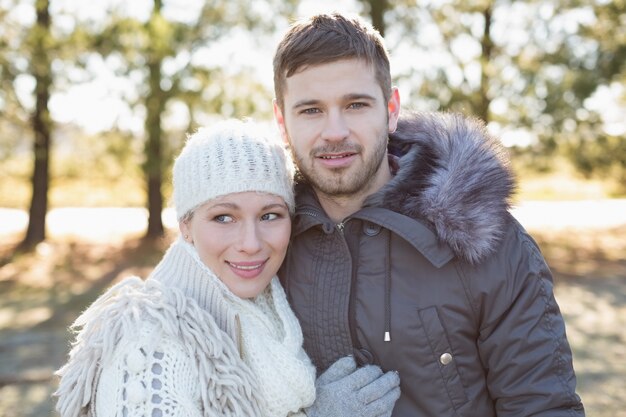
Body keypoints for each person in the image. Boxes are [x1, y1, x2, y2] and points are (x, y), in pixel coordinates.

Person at [272, 13, 585, 417]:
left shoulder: (484, 238)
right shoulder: (260, 247)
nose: (334, 131)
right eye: (311, 110)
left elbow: (544, 406)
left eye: (355, 105)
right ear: (282, 121)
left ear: (391, 109)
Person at [53, 119, 401, 417]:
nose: (250, 243)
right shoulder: (151, 339)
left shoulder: (273, 313)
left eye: (270, 215)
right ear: (186, 225)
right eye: (223, 217)